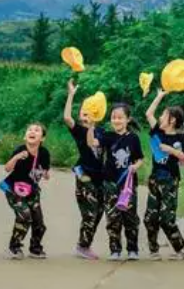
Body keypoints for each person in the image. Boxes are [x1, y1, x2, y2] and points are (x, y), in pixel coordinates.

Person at [143, 88, 184, 260]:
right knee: (150, 217)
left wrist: (172, 150)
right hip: (155, 180)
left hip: (170, 180)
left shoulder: (180, 139)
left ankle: (180, 249)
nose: (160, 117)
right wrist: (159, 96)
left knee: (166, 218)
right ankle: (153, 250)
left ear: (172, 120)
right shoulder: (158, 132)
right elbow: (148, 113)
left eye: (164, 115)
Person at [64, 80, 106, 260]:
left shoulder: (103, 132)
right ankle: (82, 246)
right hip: (84, 176)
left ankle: (84, 244)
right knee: (90, 212)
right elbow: (67, 118)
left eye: (88, 112)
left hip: (100, 177)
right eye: (83, 112)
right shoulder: (80, 130)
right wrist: (71, 94)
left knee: (98, 212)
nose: (85, 114)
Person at [96, 102, 145, 261]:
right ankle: (115, 249)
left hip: (128, 185)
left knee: (130, 217)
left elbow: (140, 159)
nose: (116, 121)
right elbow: (93, 143)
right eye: (113, 118)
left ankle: (133, 249)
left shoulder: (133, 138)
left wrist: (135, 167)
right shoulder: (107, 136)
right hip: (110, 183)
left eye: (120, 118)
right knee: (112, 217)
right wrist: (91, 126)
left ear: (128, 119)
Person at [2, 123, 52, 260]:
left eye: (37, 130)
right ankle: (14, 247)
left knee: (39, 223)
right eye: (30, 129)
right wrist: (16, 157)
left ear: (42, 138)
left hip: (32, 191)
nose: (32, 132)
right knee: (24, 216)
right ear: (25, 136)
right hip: (13, 189)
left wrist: (46, 174)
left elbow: (45, 171)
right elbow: (7, 168)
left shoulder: (44, 153)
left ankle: (35, 249)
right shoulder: (20, 150)